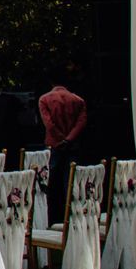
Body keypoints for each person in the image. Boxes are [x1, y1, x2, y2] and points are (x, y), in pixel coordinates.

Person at [40, 68, 90, 224]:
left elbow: (49, 123)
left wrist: (60, 139)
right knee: (71, 182)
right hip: (72, 146)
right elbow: (81, 123)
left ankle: (53, 218)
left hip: (54, 146)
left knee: (51, 183)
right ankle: (72, 218)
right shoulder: (78, 100)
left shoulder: (45, 99)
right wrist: (68, 139)